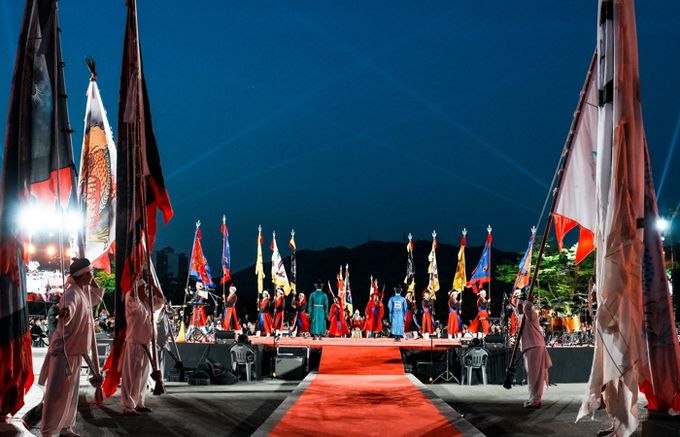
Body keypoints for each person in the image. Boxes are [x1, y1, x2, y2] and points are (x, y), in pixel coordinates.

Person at [39, 257, 104, 437]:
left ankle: (66, 427)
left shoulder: (84, 292)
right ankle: (48, 431)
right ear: (82, 275)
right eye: (90, 273)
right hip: (64, 352)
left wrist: (90, 277)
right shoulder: (72, 294)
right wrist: (65, 313)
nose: (92, 275)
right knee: (57, 393)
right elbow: (68, 310)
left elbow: (97, 296)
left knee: (71, 394)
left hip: (75, 351)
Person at [121, 278, 165, 415]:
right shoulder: (132, 301)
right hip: (135, 343)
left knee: (143, 376)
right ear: (136, 289)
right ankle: (128, 406)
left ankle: (139, 402)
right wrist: (135, 280)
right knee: (131, 376)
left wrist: (153, 285)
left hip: (147, 344)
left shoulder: (147, 302)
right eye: (143, 287)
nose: (146, 289)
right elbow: (132, 294)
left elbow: (161, 300)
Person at [513, 291, 551, 408]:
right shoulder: (522, 317)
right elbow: (517, 311)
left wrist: (528, 300)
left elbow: (527, 307)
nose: (518, 306)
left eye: (520, 304)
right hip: (530, 347)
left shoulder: (531, 314)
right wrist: (515, 301)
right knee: (531, 375)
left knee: (535, 376)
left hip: (535, 346)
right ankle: (532, 398)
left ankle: (536, 400)